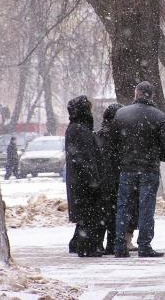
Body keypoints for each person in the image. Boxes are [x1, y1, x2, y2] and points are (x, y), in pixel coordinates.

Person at [112, 81, 165, 258]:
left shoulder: (121, 114)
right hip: (149, 168)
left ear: (136, 93)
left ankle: (120, 244)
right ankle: (144, 245)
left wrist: (122, 158)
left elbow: (113, 143)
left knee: (123, 206)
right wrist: (159, 156)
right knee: (146, 206)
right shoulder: (158, 116)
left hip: (127, 167)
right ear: (151, 95)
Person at [65, 95, 103, 257]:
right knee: (89, 214)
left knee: (85, 215)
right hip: (84, 180)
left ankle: (78, 243)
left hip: (77, 179)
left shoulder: (75, 127)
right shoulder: (81, 129)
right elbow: (86, 158)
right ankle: (86, 247)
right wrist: (94, 180)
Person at [94, 103, 123, 255]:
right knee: (114, 213)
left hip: (101, 179)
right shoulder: (118, 135)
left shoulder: (98, 135)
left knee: (102, 213)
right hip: (115, 178)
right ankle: (111, 243)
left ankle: (99, 243)